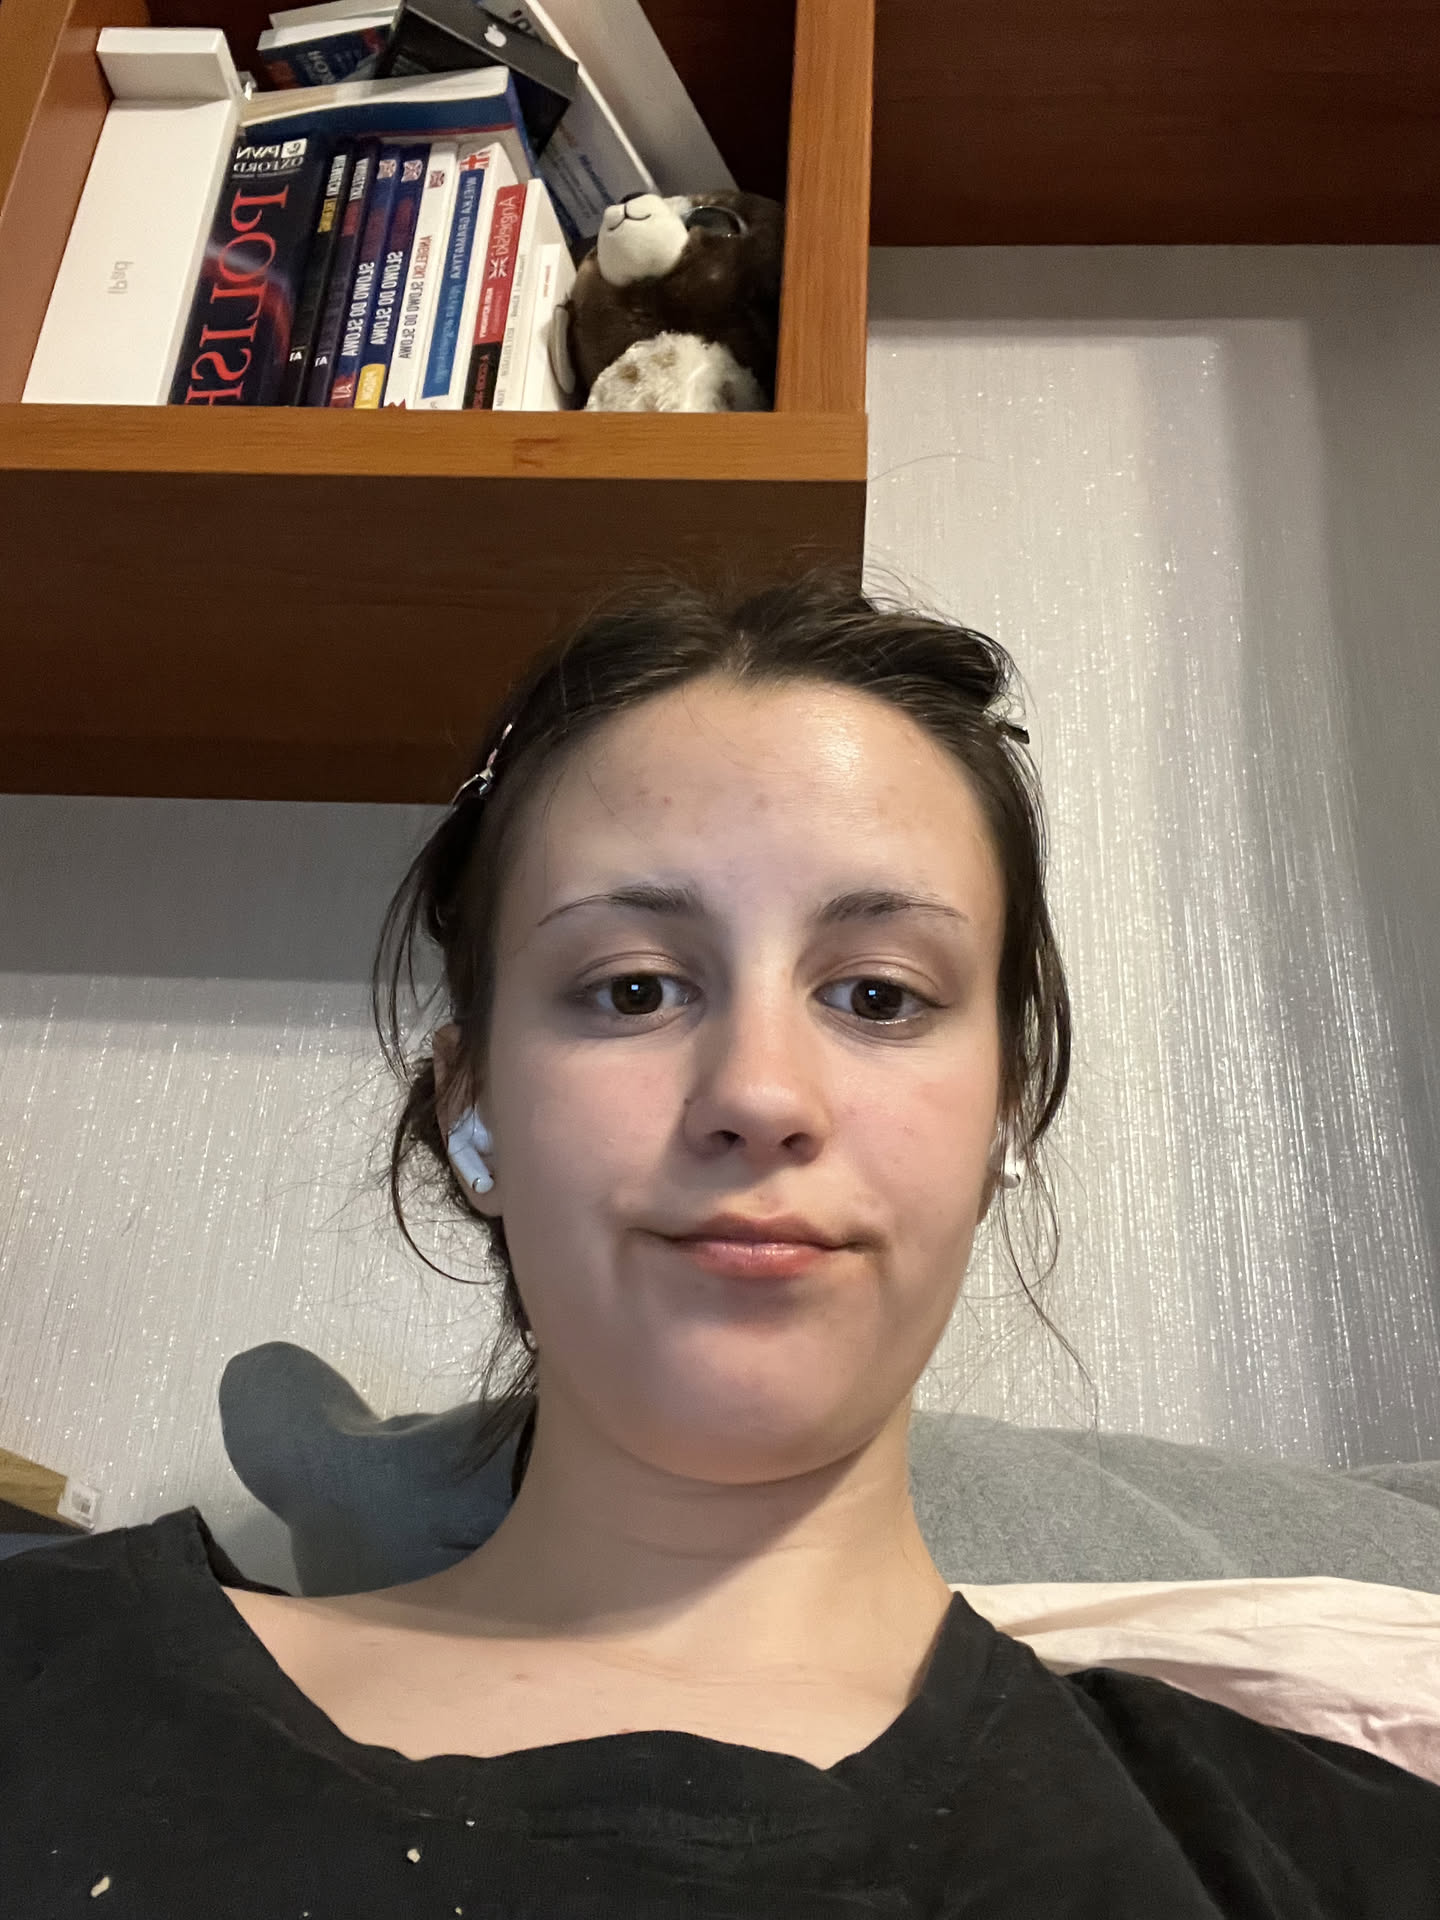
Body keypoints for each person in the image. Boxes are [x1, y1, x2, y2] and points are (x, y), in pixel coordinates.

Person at [3, 565, 1438, 1918]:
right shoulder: (43, 1680)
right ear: (472, 1107)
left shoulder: (1330, 1853)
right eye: (633, 988)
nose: (759, 1093)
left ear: (1005, 1115)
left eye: (879, 996)